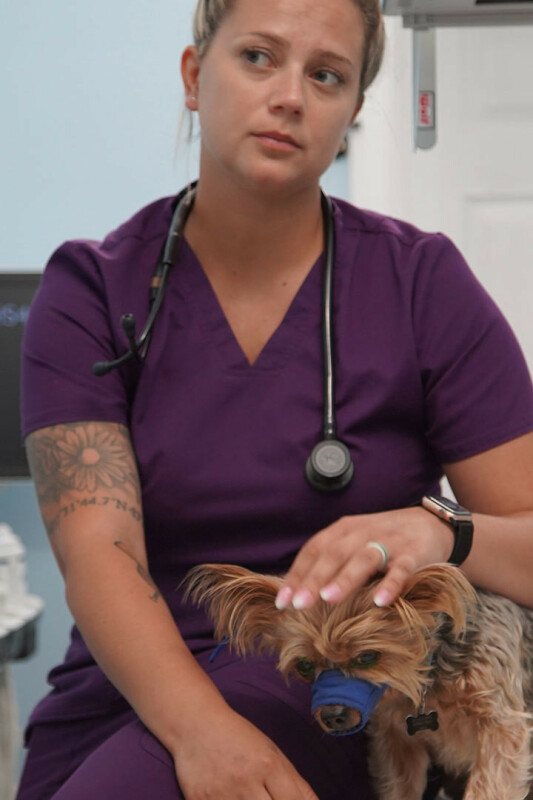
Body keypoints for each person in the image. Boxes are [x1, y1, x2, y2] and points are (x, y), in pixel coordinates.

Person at [16, 0, 533, 798]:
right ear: (195, 75)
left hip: (327, 675)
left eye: (325, 75)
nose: (289, 96)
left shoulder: (421, 285)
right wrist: (202, 733)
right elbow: (99, 555)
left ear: (352, 111)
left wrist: (440, 529)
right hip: (125, 682)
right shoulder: (90, 289)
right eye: (257, 57)